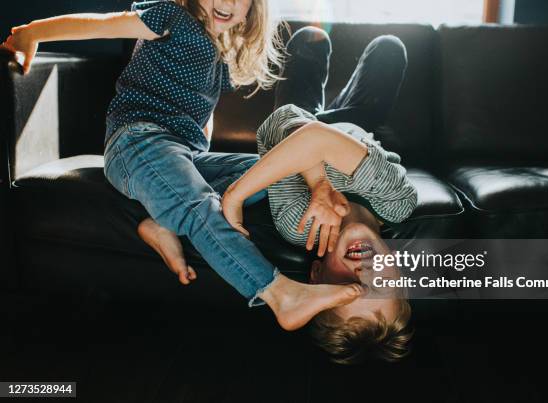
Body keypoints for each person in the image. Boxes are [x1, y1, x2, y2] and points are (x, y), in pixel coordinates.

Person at [0, 0, 365, 331]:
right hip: (137, 143)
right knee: (198, 204)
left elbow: (205, 117)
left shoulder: (220, 54)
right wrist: (32, 34)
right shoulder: (173, 16)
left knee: (273, 170)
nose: (226, 3)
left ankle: (158, 221)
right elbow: (99, 24)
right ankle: (277, 293)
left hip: (185, 153)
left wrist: (201, 156)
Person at [143, 27, 419, 364]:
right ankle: (334, 116)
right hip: (359, 126)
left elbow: (281, 122)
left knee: (307, 40)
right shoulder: (396, 201)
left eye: (345, 288)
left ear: (317, 275)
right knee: (389, 47)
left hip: (304, 123)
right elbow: (311, 139)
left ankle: (322, 109)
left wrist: (314, 153)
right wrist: (236, 195)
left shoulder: (297, 223)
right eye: (378, 286)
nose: (362, 272)